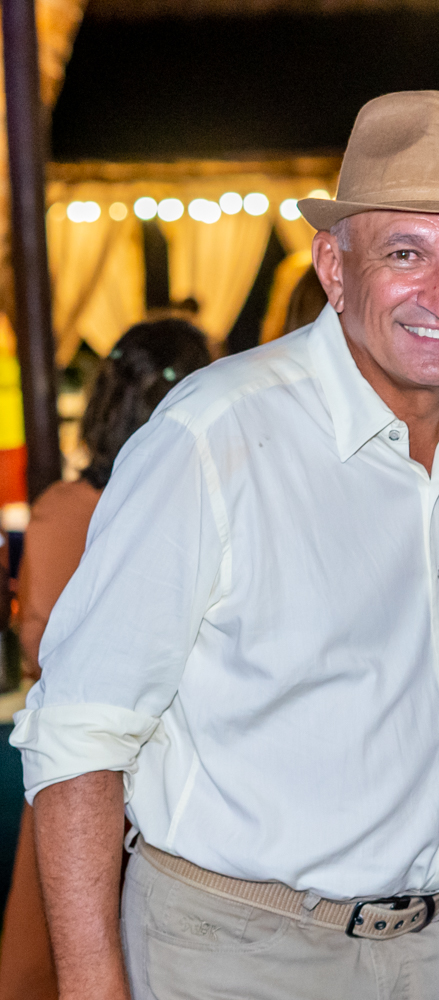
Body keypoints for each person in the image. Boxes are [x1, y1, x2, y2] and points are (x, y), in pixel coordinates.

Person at [10, 90, 439, 1000]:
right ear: (333, 265)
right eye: (406, 253)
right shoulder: (215, 435)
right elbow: (79, 734)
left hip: (436, 946)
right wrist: (91, 989)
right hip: (232, 952)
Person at [0, 320, 211, 1000]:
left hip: (79, 780)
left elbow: (34, 645)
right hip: (142, 785)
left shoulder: (63, 507)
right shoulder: (185, 509)